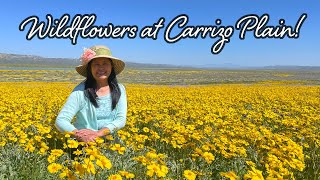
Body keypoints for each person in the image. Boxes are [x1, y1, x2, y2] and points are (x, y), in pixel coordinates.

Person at [55, 45, 127, 143]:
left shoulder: (120, 89)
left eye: (105, 63)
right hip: (85, 144)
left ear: (111, 67)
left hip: (111, 143)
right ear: (90, 68)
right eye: (96, 64)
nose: (101, 68)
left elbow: (121, 119)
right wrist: (79, 135)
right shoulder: (80, 91)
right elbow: (61, 120)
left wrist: (98, 133)